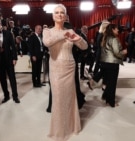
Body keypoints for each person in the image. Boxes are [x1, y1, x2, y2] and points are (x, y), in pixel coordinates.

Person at [42, 4, 88, 141]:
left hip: (70, 66)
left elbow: (84, 47)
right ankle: (59, 130)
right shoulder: (47, 31)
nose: (60, 14)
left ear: (66, 15)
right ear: (53, 16)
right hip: (56, 68)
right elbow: (47, 43)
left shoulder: (71, 31)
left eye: (62, 12)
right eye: (57, 12)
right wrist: (63, 34)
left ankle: (71, 126)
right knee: (58, 98)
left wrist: (77, 39)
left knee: (69, 98)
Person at [93, 24, 127, 107]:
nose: (118, 30)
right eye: (116, 29)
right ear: (113, 29)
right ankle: (111, 102)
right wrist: (123, 53)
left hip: (105, 63)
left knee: (108, 82)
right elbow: (117, 53)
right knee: (112, 83)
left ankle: (105, 96)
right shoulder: (114, 39)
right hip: (112, 64)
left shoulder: (105, 38)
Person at [0, 17, 20, 104]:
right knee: (2, 80)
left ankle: (15, 96)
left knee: (12, 79)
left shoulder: (8, 33)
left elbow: (13, 46)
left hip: (9, 59)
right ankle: (6, 96)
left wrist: (15, 58)